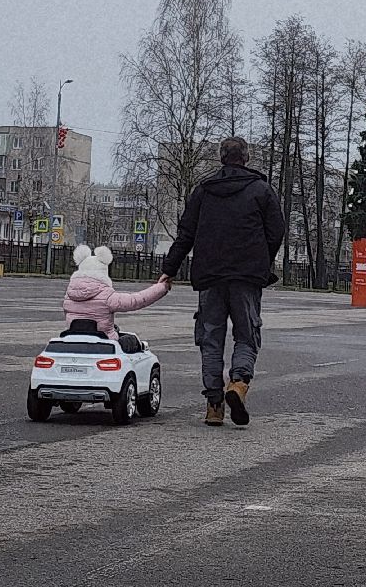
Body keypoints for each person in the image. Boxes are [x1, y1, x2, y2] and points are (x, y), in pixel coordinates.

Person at [161, 136, 286, 427]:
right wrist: (261, 259)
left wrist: (169, 268)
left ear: (221, 157)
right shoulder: (261, 190)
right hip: (247, 276)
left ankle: (214, 405)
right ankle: (238, 384)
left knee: (210, 338)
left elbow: (186, 234)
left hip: (210, 276)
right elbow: (276, 230)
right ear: (246, 157)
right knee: (247, 334)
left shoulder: (204, 190)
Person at [62, 244, 170, 353]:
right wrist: (162, 287)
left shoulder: (69, 295)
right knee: (130, 339)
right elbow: (137, 300)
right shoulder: (107, 296)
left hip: (73, 340)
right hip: (104, 344)